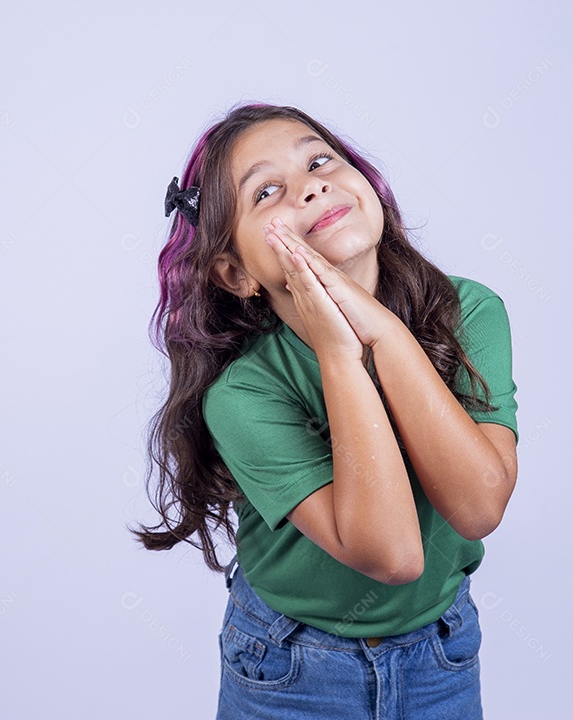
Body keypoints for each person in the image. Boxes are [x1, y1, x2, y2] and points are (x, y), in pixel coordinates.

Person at [131, 102, 519, 719]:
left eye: (319, 161)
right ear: (235, 273)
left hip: (440, 652)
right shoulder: (242, 394)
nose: (310, 185)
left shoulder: (468, 312)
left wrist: (384, 335)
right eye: (267, 192)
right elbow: (393, 556)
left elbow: (477, 507)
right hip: (291, 665)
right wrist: (342, 352)